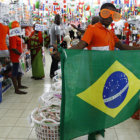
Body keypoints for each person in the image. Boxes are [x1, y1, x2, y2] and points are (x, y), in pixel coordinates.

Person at [70, 3, 140, 140]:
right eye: (106, 13)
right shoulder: (92, 29)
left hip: (108, 77)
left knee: (103, 105)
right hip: (95, 77)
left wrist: (138, 49)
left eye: (113, 15)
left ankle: (99, 129)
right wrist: (64, 53)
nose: (109, 18)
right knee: (94, 107)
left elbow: (123, 47)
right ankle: (92, 133)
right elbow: (80, 45)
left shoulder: (110, 33)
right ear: (101, 13)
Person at [9, 21, 28, 94]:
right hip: (15, 58)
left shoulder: (16, 36)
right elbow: (13, 48)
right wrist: (20, 54)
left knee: (19, 72)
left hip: (19, 58)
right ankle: (16, 89)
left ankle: (19, 85)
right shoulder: (13, 37)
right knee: (14, 73)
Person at [49, 14, 61, 79]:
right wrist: (59, 47)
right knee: (56, 60)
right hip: (54, 47)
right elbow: (58, 38)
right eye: (59, 19)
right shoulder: (57, 27)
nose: (60, 20)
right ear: (56, 19)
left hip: (51, 46)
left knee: (53, 60)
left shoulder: (52, 25)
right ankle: (54, 74)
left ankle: (51, 74)